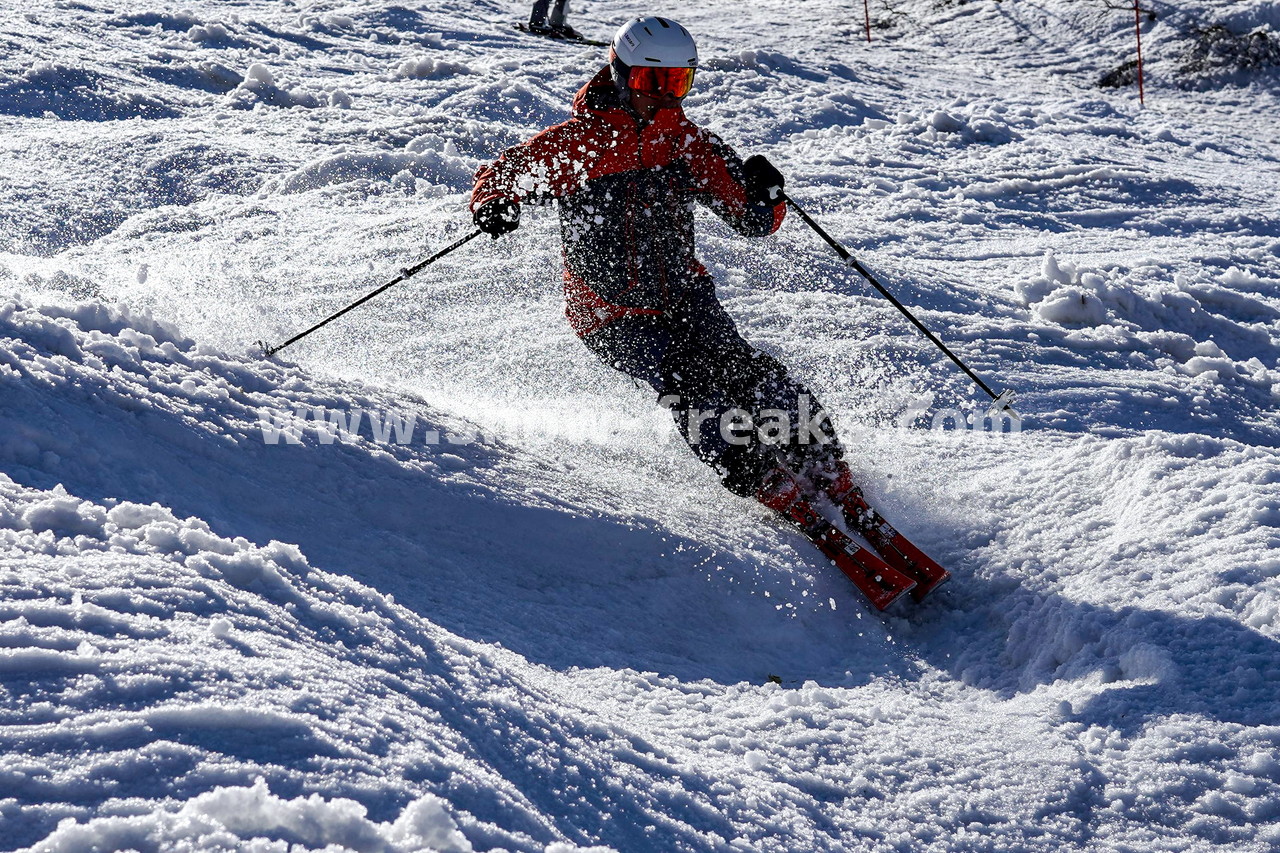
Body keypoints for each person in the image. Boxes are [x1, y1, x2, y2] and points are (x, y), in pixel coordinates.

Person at [470, 15, 860, 526]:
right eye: (650, 81)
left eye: (677, 82)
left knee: (744, 369)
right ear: (618, 71)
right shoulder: (576, 144)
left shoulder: (686, 143)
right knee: (691, 378)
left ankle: (821, 460)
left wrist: (767, 197)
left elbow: (750, 219)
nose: (662, 95)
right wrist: (494, 204)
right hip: (609, 312)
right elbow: (503, 173)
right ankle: (760, 476)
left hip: (684, 294)